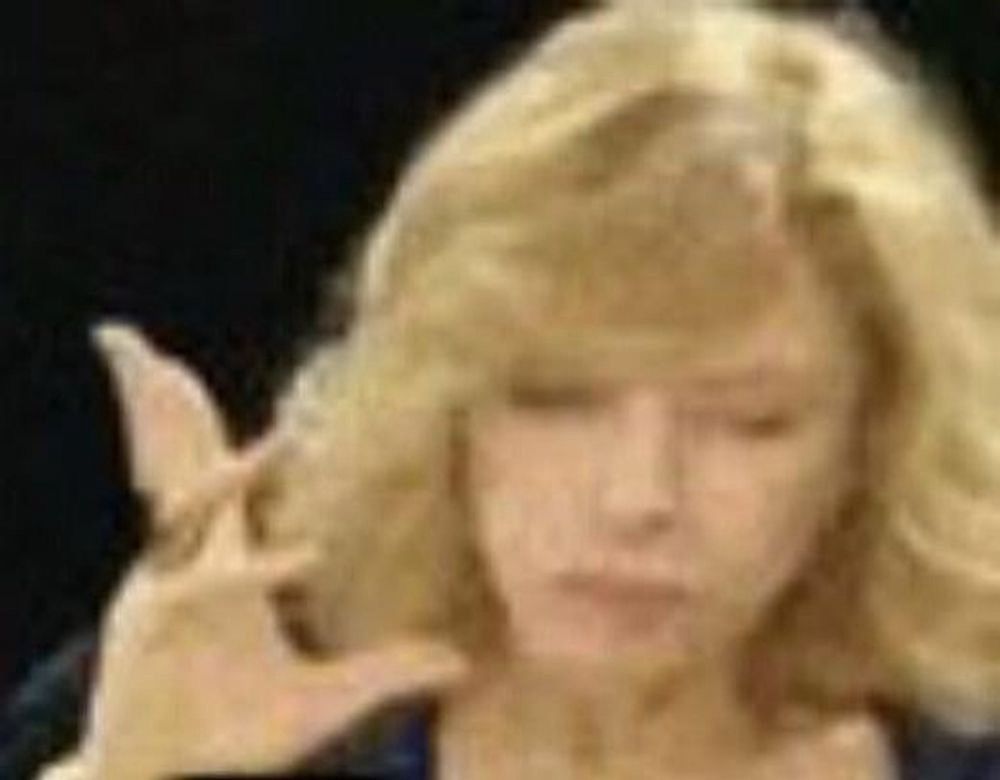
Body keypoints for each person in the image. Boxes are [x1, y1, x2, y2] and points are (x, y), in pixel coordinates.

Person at [14, 0, 1000, 777]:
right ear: (441, 408)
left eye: (749, 423)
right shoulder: (217, 677)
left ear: (873, 442)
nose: (638, 498)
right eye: (555, 399)